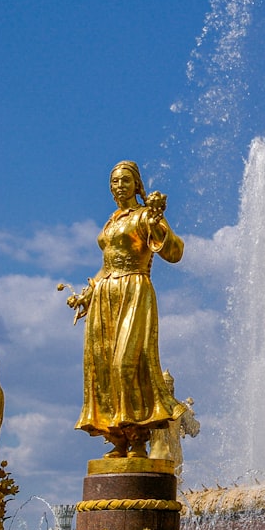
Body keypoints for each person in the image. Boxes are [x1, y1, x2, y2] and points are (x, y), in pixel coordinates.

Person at [69, 161, 185, 458]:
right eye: (115, 182)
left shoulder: (146, 215)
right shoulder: (112, 220)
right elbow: (106, 265)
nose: (119, 186)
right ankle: (118, 439)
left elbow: (174, 252)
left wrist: (159, 220)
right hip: (106, 294)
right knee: (104, 368)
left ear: (137, 185)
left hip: (135, 290)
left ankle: (138, 439)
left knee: (126, 364)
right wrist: (87, 292)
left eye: (125, 180)